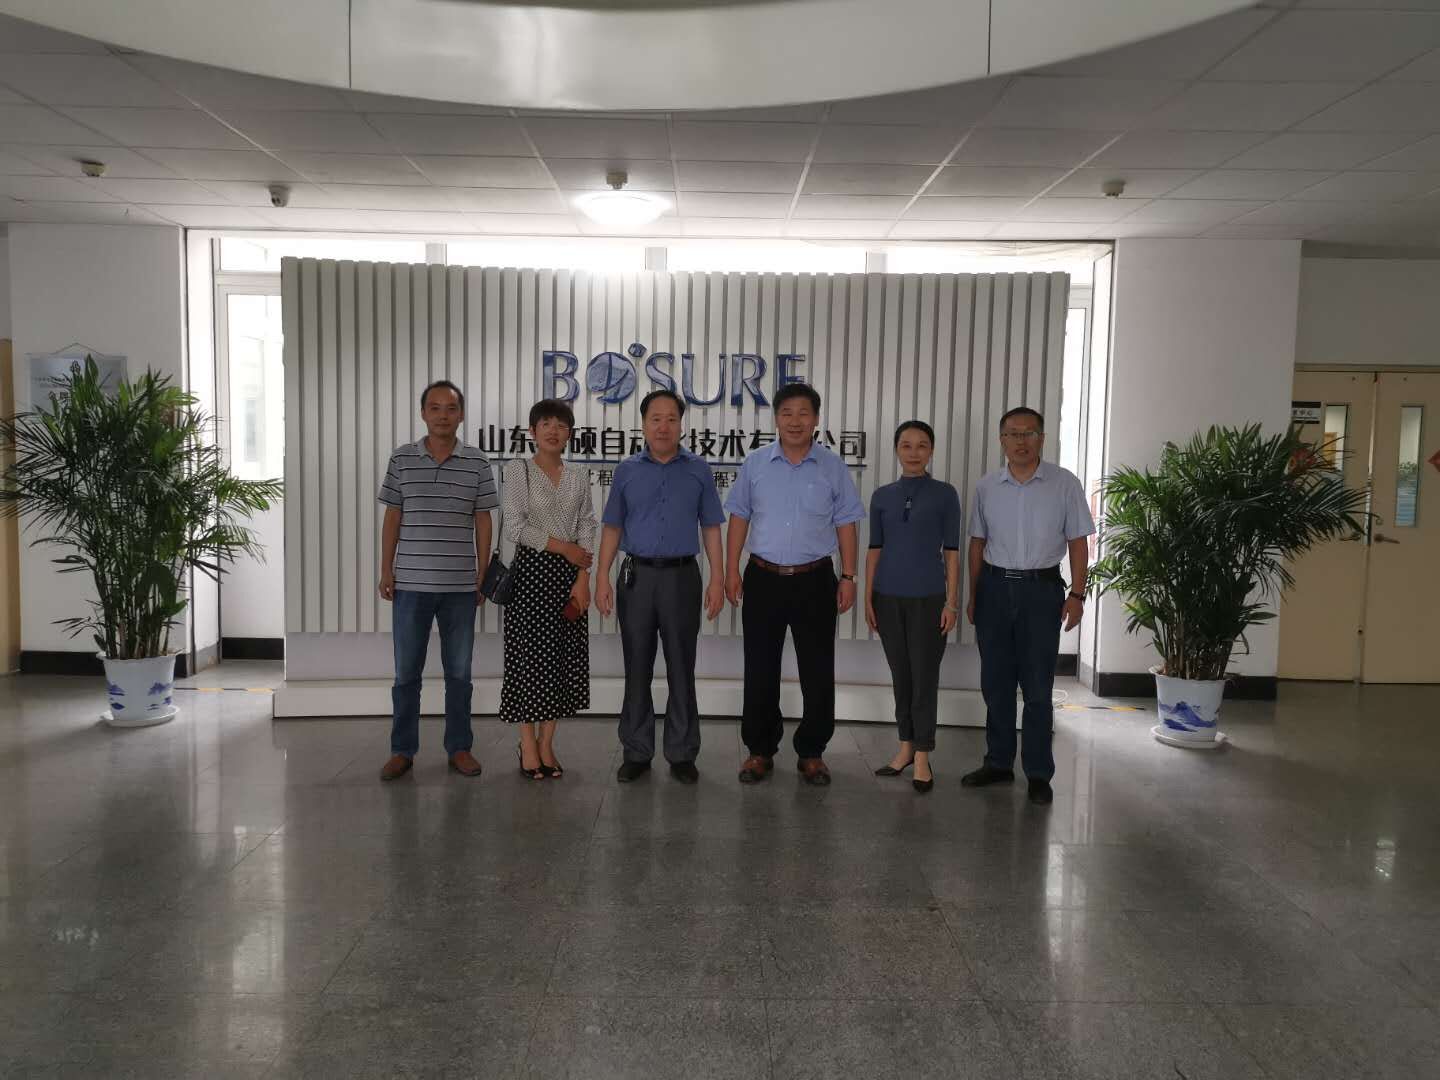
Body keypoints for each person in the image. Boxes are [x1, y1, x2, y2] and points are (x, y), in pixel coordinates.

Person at [725, 383, 865, 786]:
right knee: (760, 667)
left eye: (804, 413)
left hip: (815, 579)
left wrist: (849, 576)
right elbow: (739, 516)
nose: (795, 421)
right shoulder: (755, 463)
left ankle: (812, 752)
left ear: (816, 419)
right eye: (787, 413)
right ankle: (759, 750)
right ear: (776, 418)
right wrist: (732, 570)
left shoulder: (832, 467)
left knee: (818, 669)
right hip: (763, 578)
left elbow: (846, 522)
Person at [962, 406, 1094, 805]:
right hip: (994, 588)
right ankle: (998, 762)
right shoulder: (987, 487)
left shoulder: (1064, 484)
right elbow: (977, 544)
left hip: (1042, 590)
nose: (1021, 441)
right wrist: (974, 594)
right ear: (1002, 440)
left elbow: (1078, 543)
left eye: (1029, 433)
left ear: (1042, 438)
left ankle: (1038, 773)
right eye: (1013, 434)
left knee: (1038, 686)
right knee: (996, 683)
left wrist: (1077, 595)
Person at [595, 389, 726, 784]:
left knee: (681, 666)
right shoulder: (626, 471)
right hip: (636, 578)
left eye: (671, 419)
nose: (663, 426)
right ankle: (636, 750)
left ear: (681, 424)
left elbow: (711, 527)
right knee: (636, 665)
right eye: (656, 418)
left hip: (682, 578)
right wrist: (601, 576)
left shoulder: (699, 469)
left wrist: (718, 577)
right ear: (643, 424)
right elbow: (613, 527)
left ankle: (682, 752)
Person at [377, 380, 498, 782]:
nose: (443, 415)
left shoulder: (477, 462)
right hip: (410, 585)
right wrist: (386, 569)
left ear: (461, 414)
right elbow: (393, 515)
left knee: (459, 675)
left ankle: (459, 748)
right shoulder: (402, 459)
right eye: (435, 408)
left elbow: (483, 519)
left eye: (450, 408)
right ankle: (402, 750)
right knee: (406, 675)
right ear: (423, 413)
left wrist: (482, 571)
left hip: (461, 587)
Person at [498, 399, 597, 778]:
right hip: (531, 575)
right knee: (528, 660)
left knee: (561, 660)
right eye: (546, 424)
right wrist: (564, 548)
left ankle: (546, 744)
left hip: (570, 576)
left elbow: (587, 523)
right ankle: (526, 743)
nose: (553, 430)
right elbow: (515, 527)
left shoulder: (579, 474)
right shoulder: (518, 470)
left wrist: (583, 577)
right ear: (532, 431)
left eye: (561, 424)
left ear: (570, 433)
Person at [864, 420, 962, 794]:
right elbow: (875, 550)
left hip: (929, 599)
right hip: (887, 598)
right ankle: (905, 746)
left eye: (922, 445)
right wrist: (868, 597)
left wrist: (952, 602)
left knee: (924, 678)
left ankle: (923, 754)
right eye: (906, 445)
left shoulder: (945, 495)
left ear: (931, 450)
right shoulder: (882, 497)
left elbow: (951, 553)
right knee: (901, 676)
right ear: (896, 450)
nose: (914, 452)